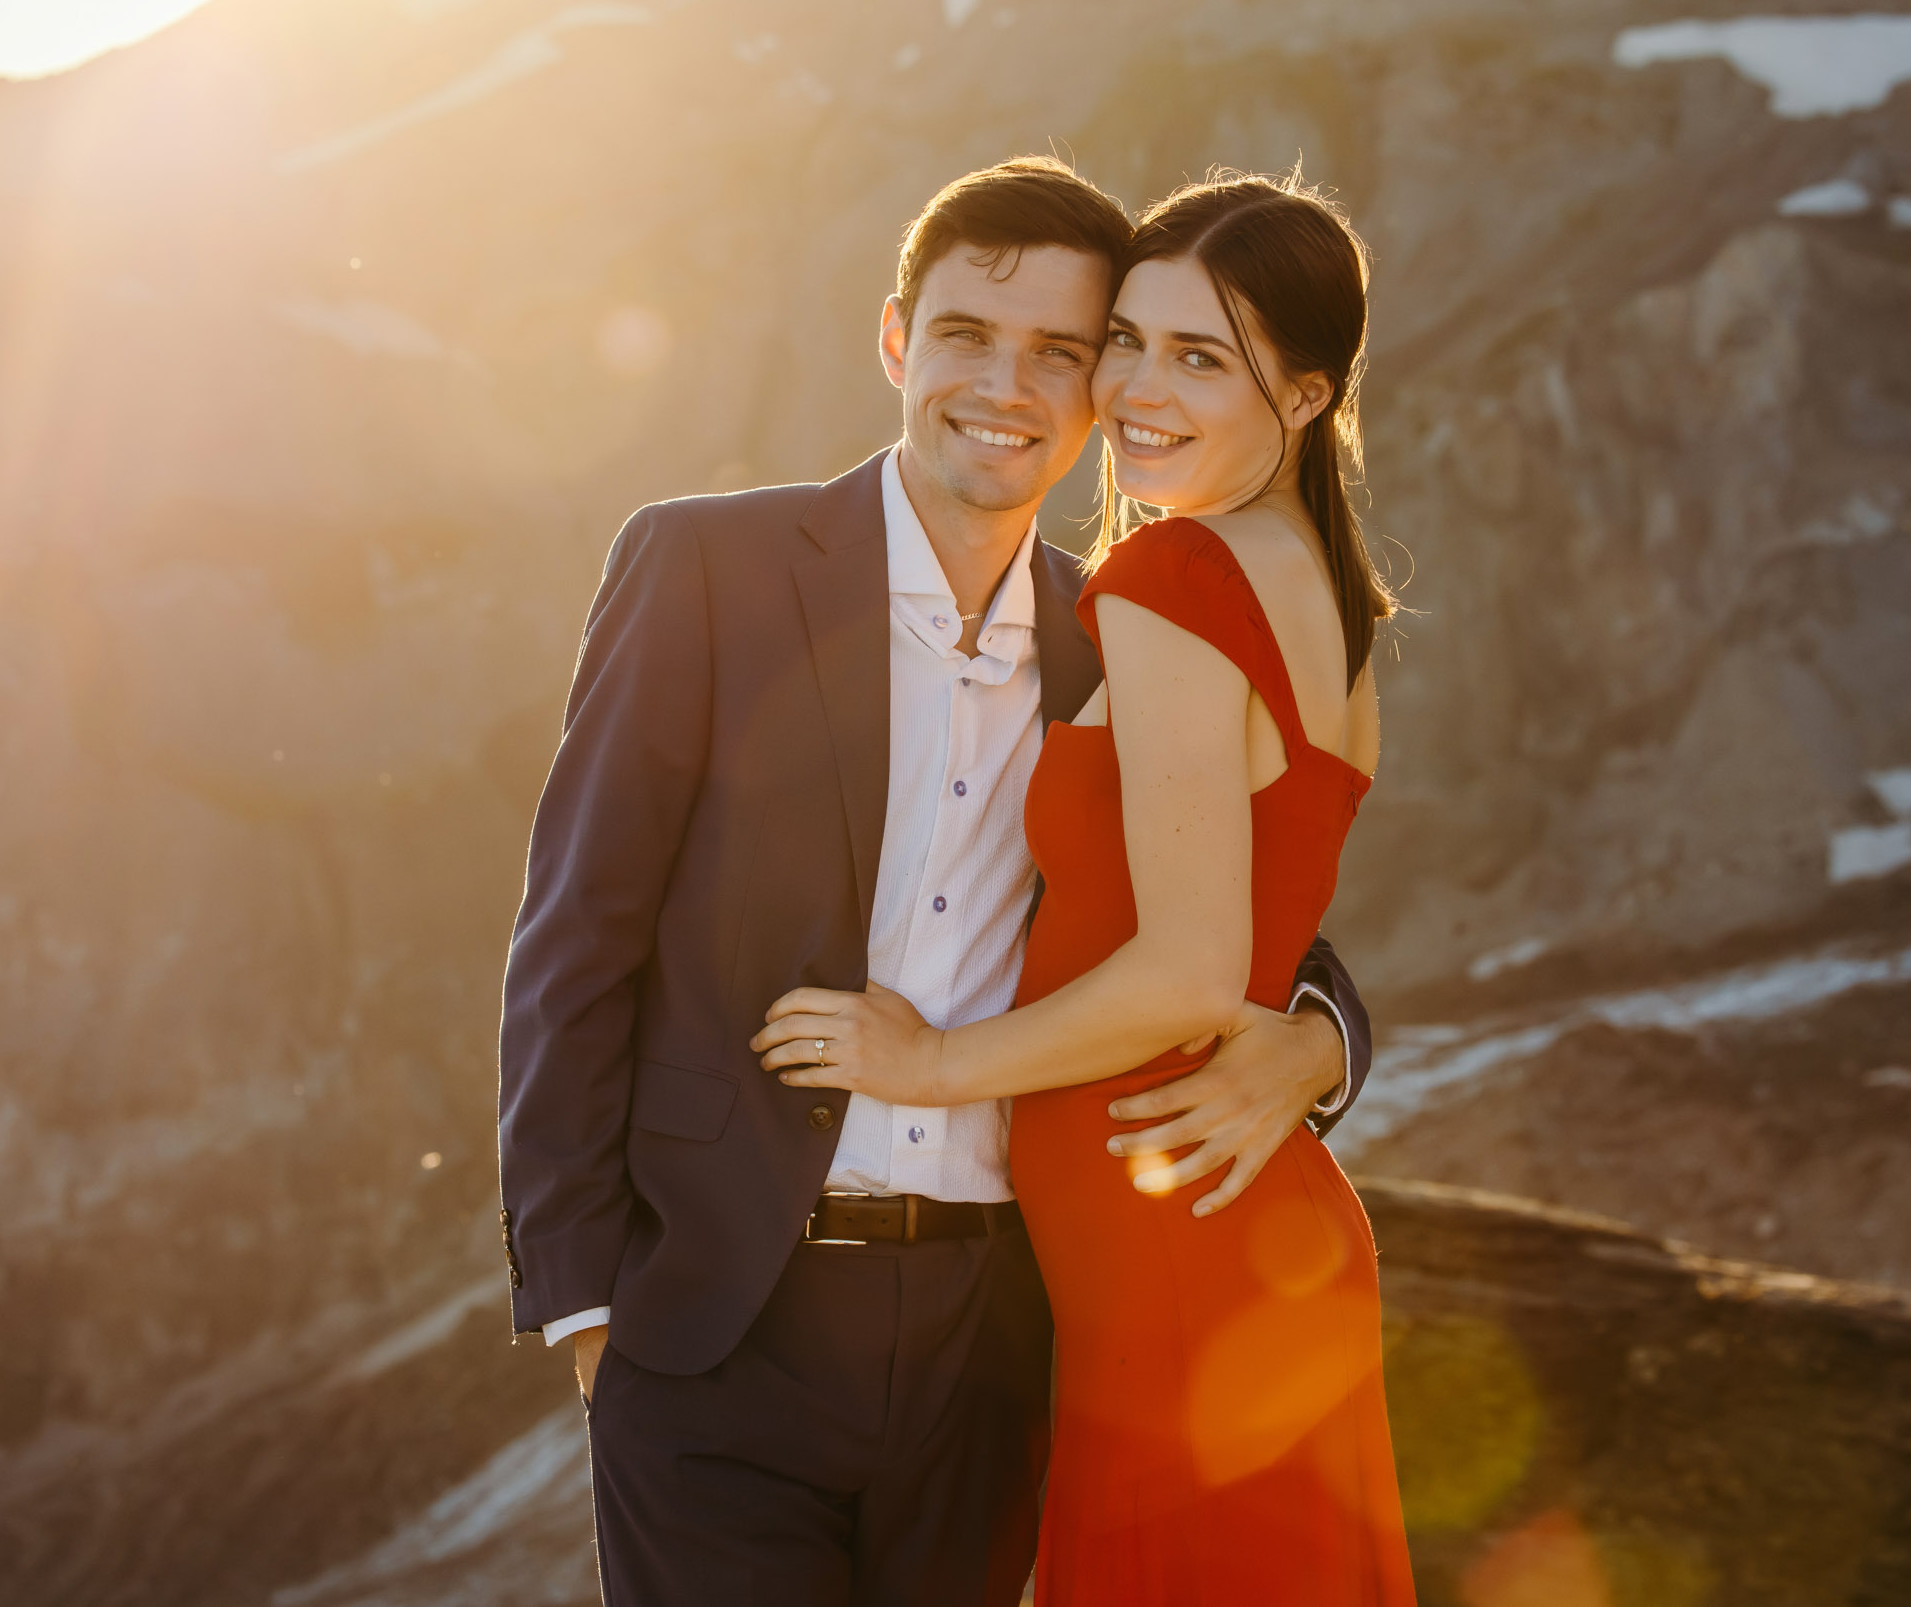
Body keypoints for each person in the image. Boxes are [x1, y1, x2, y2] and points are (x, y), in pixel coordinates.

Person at [495, 157, 1380, 1606]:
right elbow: (575, 938)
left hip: (999, 1336)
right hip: (722, 1326)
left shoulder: (1125, 631)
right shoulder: (704, 568)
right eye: (968, 334)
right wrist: (593, 1313)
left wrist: (1324, 1043)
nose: (1007, 385)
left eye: (1060, 352)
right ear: (898, 339)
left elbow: (1248, 909)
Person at [755, 173, 1418, 1603]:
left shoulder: (1176, 576)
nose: (1133, 389)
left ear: (1304, 397)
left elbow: (1188, 971)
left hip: (1168, 1238)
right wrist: (1316, 1041)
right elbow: (1262, 932)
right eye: (1125, 339)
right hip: (1214, 1225)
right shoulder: (1331, 601)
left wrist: (930, 1063)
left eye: (1201, 357)